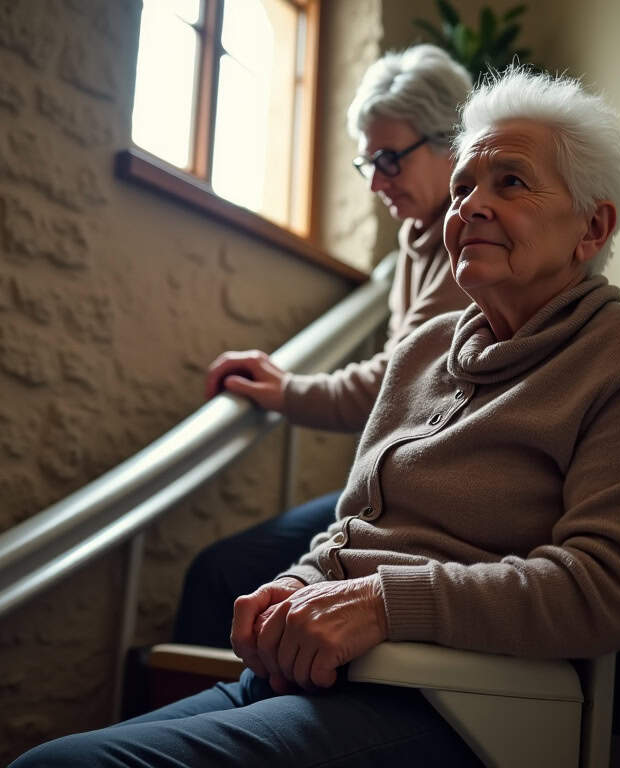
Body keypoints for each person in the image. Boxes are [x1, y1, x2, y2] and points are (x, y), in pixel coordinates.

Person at [12, 68, 620, 768]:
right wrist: (300, 584)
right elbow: (349, 529)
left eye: (510, 182)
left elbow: (605, 588)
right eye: (462, 188)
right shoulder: (424, 348)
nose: (469, 207)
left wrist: (383, 604)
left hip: (454, 705)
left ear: (593, 226)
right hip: (326, 676)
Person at [172, 44, 473, 649]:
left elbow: (397, 382)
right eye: (369, 165)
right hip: (397, 490)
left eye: (390, 158)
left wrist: (285, 391)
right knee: (224, 576)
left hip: (434, 503)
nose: (378, 183)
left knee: (221, 574)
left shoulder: (468, 242)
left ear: (453, 140)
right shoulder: (416, 241)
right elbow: (402, 372)